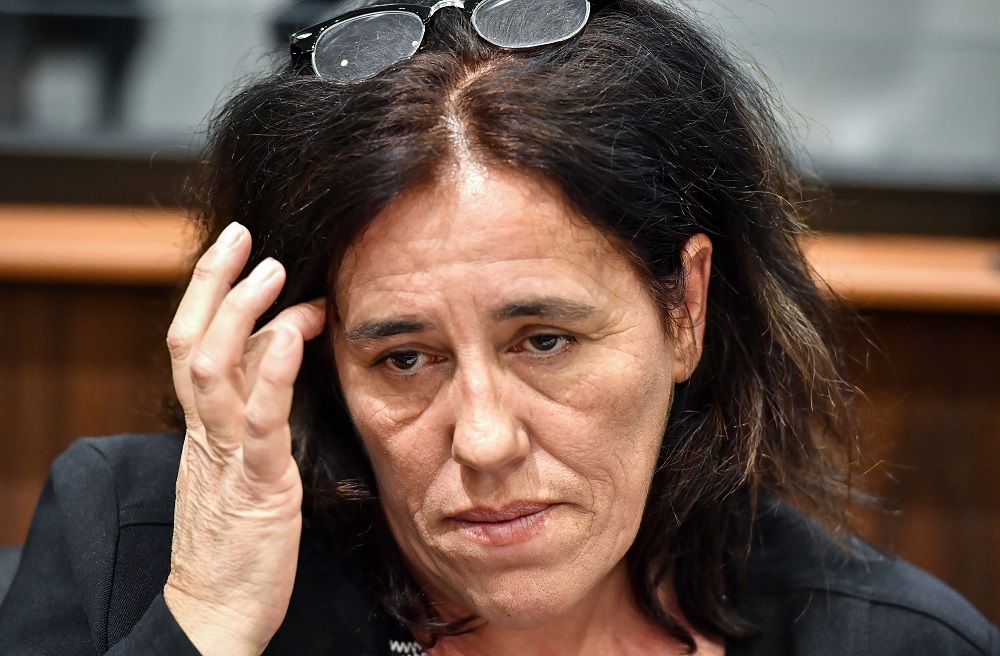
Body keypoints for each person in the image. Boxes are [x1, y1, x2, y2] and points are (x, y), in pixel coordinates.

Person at [1, 0, 998, 654]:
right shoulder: (135, 554)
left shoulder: (886, 640)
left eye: (545, 340)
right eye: (402, 355)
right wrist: (208, 622)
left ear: (684, 308)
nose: (481, 438)